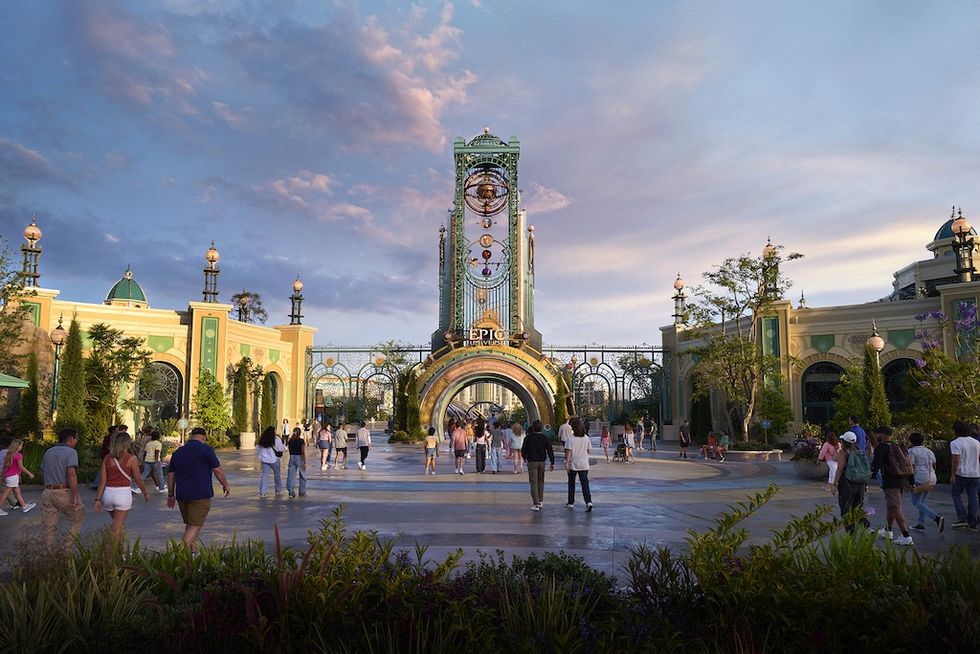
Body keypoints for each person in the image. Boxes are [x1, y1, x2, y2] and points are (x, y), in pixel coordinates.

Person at [166, 426, 230, 552]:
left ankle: (192, 553)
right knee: (195, 525)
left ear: (190, 437)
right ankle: (180, 553)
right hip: (200, 493)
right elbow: (217, 470)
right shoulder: (206, 450)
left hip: (182, 494)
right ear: (204, 437)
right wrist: (225, 484)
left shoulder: (178, 452)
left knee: (190, 524)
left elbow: (171, 475)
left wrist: (170, 495)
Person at [95, 432, 148, 544]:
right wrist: (145, 493)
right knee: (116, 528)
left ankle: (119, 548)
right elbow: (138, 479)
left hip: (108, 494)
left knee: (118, 524)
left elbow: (102, 481)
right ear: (127, 444)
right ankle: (113, 551)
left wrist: (98, 499)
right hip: (122, 494)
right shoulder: (131, 459)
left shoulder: (107, 458)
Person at [869, 426, 913, 546]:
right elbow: (908, 464)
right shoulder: (897, 446)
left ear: (882, 434)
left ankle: (906, 536)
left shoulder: (882, 448)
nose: (876, 436)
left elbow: (875, 465)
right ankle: (888, 530)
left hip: (890, 481)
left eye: (877, 434)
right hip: (901, 480)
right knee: (891, 506)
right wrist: (911, 481)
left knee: (895, 507)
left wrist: (868, 477)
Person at [40, 428, 83, 551]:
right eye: (76, 439)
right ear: (71, 439)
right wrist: (75, 495)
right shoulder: (71, 452)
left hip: (48, 491)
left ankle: (48, 554)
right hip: (63, 491)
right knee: (77, 519)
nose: (76, 441)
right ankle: (65, 550)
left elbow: (43, 470)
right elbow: (71, 474)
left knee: (49, 527)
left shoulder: (48, 452)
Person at [832, 431, 871, 532]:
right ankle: (867, 527)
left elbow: (840, 469)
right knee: (858, 507)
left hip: (847, 484)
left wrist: (834, 484)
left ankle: (850, 531)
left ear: (844, 442)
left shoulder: (844, 452)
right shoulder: (860, 451)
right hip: (860, 484)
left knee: (846, 507)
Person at [907, 432, 943, 532]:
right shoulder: (929, 451)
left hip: (919, 478)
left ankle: (936, 517)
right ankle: (920, 523)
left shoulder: (911, 451)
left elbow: (911, 467)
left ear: (911, 441)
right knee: (922, 501)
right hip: (932, 477)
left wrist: (910, 481)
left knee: (916, 502)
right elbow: (934, 465)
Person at [949, 419, 980, 530]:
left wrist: (953, 475)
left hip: (961, 473)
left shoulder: (955, 443)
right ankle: (972, 522)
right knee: (973, 497)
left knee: (956, 494)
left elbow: (955, 460)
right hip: (975, 473)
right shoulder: (976, 442)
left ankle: (962, 517)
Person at [521, 420, 554, 511]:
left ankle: (536, 504)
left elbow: (523, 449)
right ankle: (540, 501)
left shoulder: (528, 438)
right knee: (541, 481)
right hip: (542, 462)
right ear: (541, 428)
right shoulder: (544, 438)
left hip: (532, 462)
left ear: (533, 428)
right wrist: (552, 462)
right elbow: (550, 450)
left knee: (533, 483)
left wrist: (524, 457)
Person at [0, 439, 37, 516]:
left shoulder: (9, 454)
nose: (22, 447)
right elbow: (21, 467)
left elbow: (4, 467)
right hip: (13, 476)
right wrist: (29, 473)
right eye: (21, 445)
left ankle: (24, 506)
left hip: (9, 476)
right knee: (6, 493)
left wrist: (3, 476)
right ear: (17, 446)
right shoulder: (18, 455)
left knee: (17, 492)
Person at [564, 417, 593, 512]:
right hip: (584, 464)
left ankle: (571, 502)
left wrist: (567, 463)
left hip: (573, 464)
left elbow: (569, 452)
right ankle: (588, 502)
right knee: (585, 484)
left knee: (571, 483)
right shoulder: (586, 438)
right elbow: (589, 450)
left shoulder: (570, 439)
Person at [256, 426, 284, 497]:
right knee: (277, 474)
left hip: (265, 460)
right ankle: (278, 490)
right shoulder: (276, 439)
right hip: (274, 459)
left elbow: (258, 448)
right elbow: (280, 448)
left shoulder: (263, 439)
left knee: (264, 476)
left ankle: (263, 492)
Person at [286, 427, 307, 497]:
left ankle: (291, 491)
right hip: (299, 457)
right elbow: (303, 451)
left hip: (292, 457)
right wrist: (304, 462)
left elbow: (289, 449)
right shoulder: (301, 441)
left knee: (291, 475)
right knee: (303, 474)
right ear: (300, 433)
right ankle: (302, 491)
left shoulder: (290, 440)